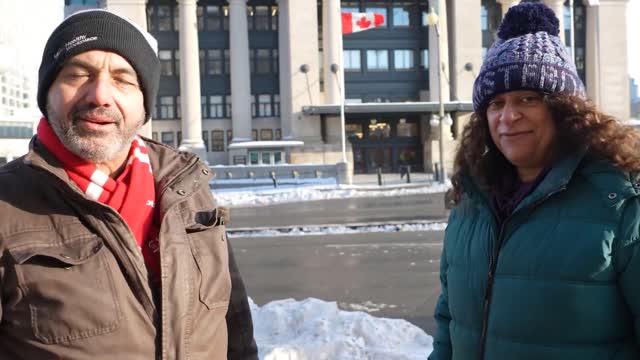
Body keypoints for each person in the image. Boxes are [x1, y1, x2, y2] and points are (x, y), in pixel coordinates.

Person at [0, 9, 257, 360]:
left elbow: (235, 326)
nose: (100, 95)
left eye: (123, 79)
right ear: (47, 95)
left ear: (144, 105)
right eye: (78, 74)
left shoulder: (187, 186)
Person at [429, 2, 640, 359]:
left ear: (565, 111)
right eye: (496, 103)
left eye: (528, 98)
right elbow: (449, 324)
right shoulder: (471, 203)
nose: (508, 116)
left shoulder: (620, 203)